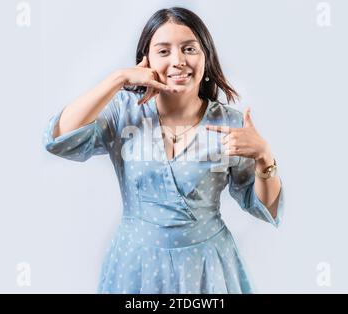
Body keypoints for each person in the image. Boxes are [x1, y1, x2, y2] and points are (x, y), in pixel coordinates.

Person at [43, 7, 284, 294]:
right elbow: (58, 138)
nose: (178, 61)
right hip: (135, 265)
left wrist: (264, 158)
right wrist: (119, 78)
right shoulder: (124, 112)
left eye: (189, 49)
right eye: (163, 51)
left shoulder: (230, 122)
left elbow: (264, 208)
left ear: (206, 57)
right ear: (146, 60)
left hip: (206, 267)